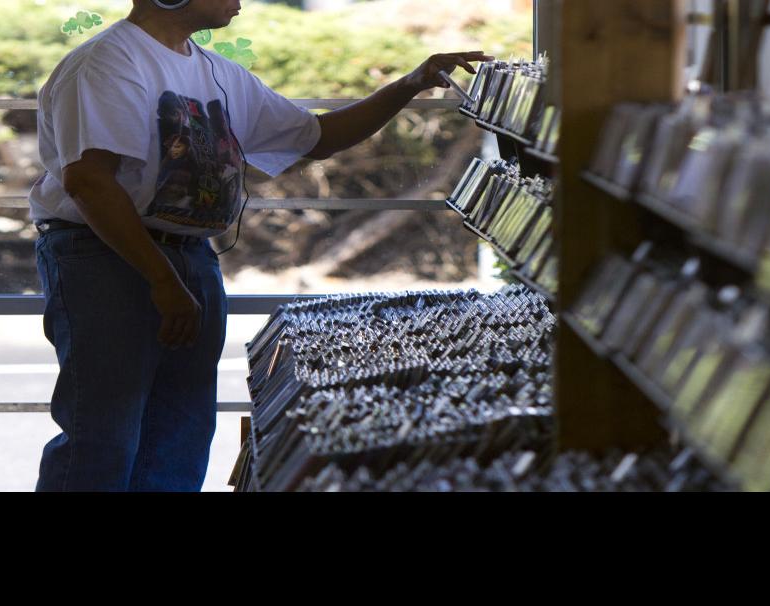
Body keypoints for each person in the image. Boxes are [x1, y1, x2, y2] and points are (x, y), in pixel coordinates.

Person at [28, 0, 492, 491]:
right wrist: (161, 278)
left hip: (185, 258)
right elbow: (89, 182)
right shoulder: (108, 62)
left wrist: (411, 83)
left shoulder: (211, 69)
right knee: (101, 437)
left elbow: (317, 137)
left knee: (179, 432)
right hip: (107, 257)